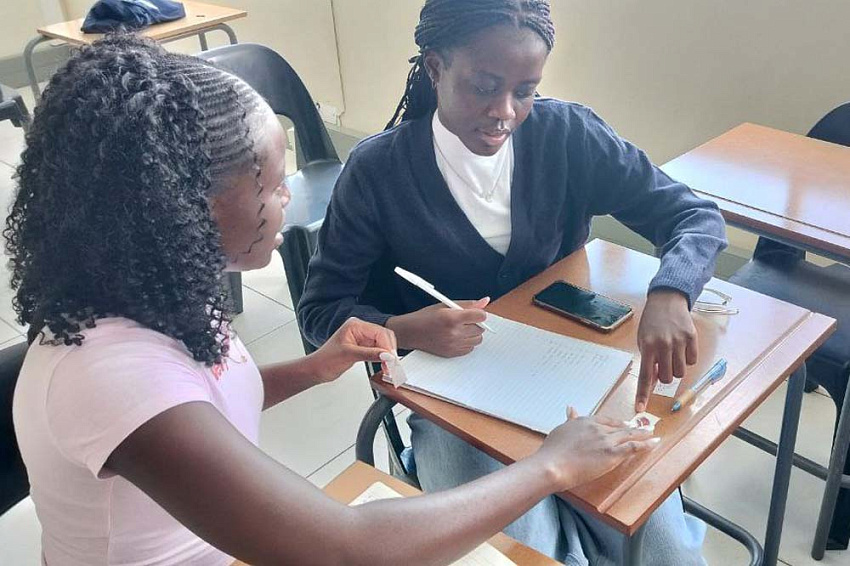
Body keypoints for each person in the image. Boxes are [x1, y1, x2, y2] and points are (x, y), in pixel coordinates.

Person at [9, 35, 657, 566]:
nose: (291, 197)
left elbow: (204, 398)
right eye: (271, 184)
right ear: (183, 204)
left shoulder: (157, 295)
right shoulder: (111, 375)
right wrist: (550, 467)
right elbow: (348, 548)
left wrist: (315, 368)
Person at [298, 0, 727, 564]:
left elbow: (693, 216)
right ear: (435, 68)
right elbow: (320, 312)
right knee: (520, 553)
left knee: (666, 555)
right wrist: (405, 329)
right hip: (456, 408)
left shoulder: (567, 135)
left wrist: (671, 292)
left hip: (575, 382)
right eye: (483, 87)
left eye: (525, 91)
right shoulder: (378, 171)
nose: (504, 112)